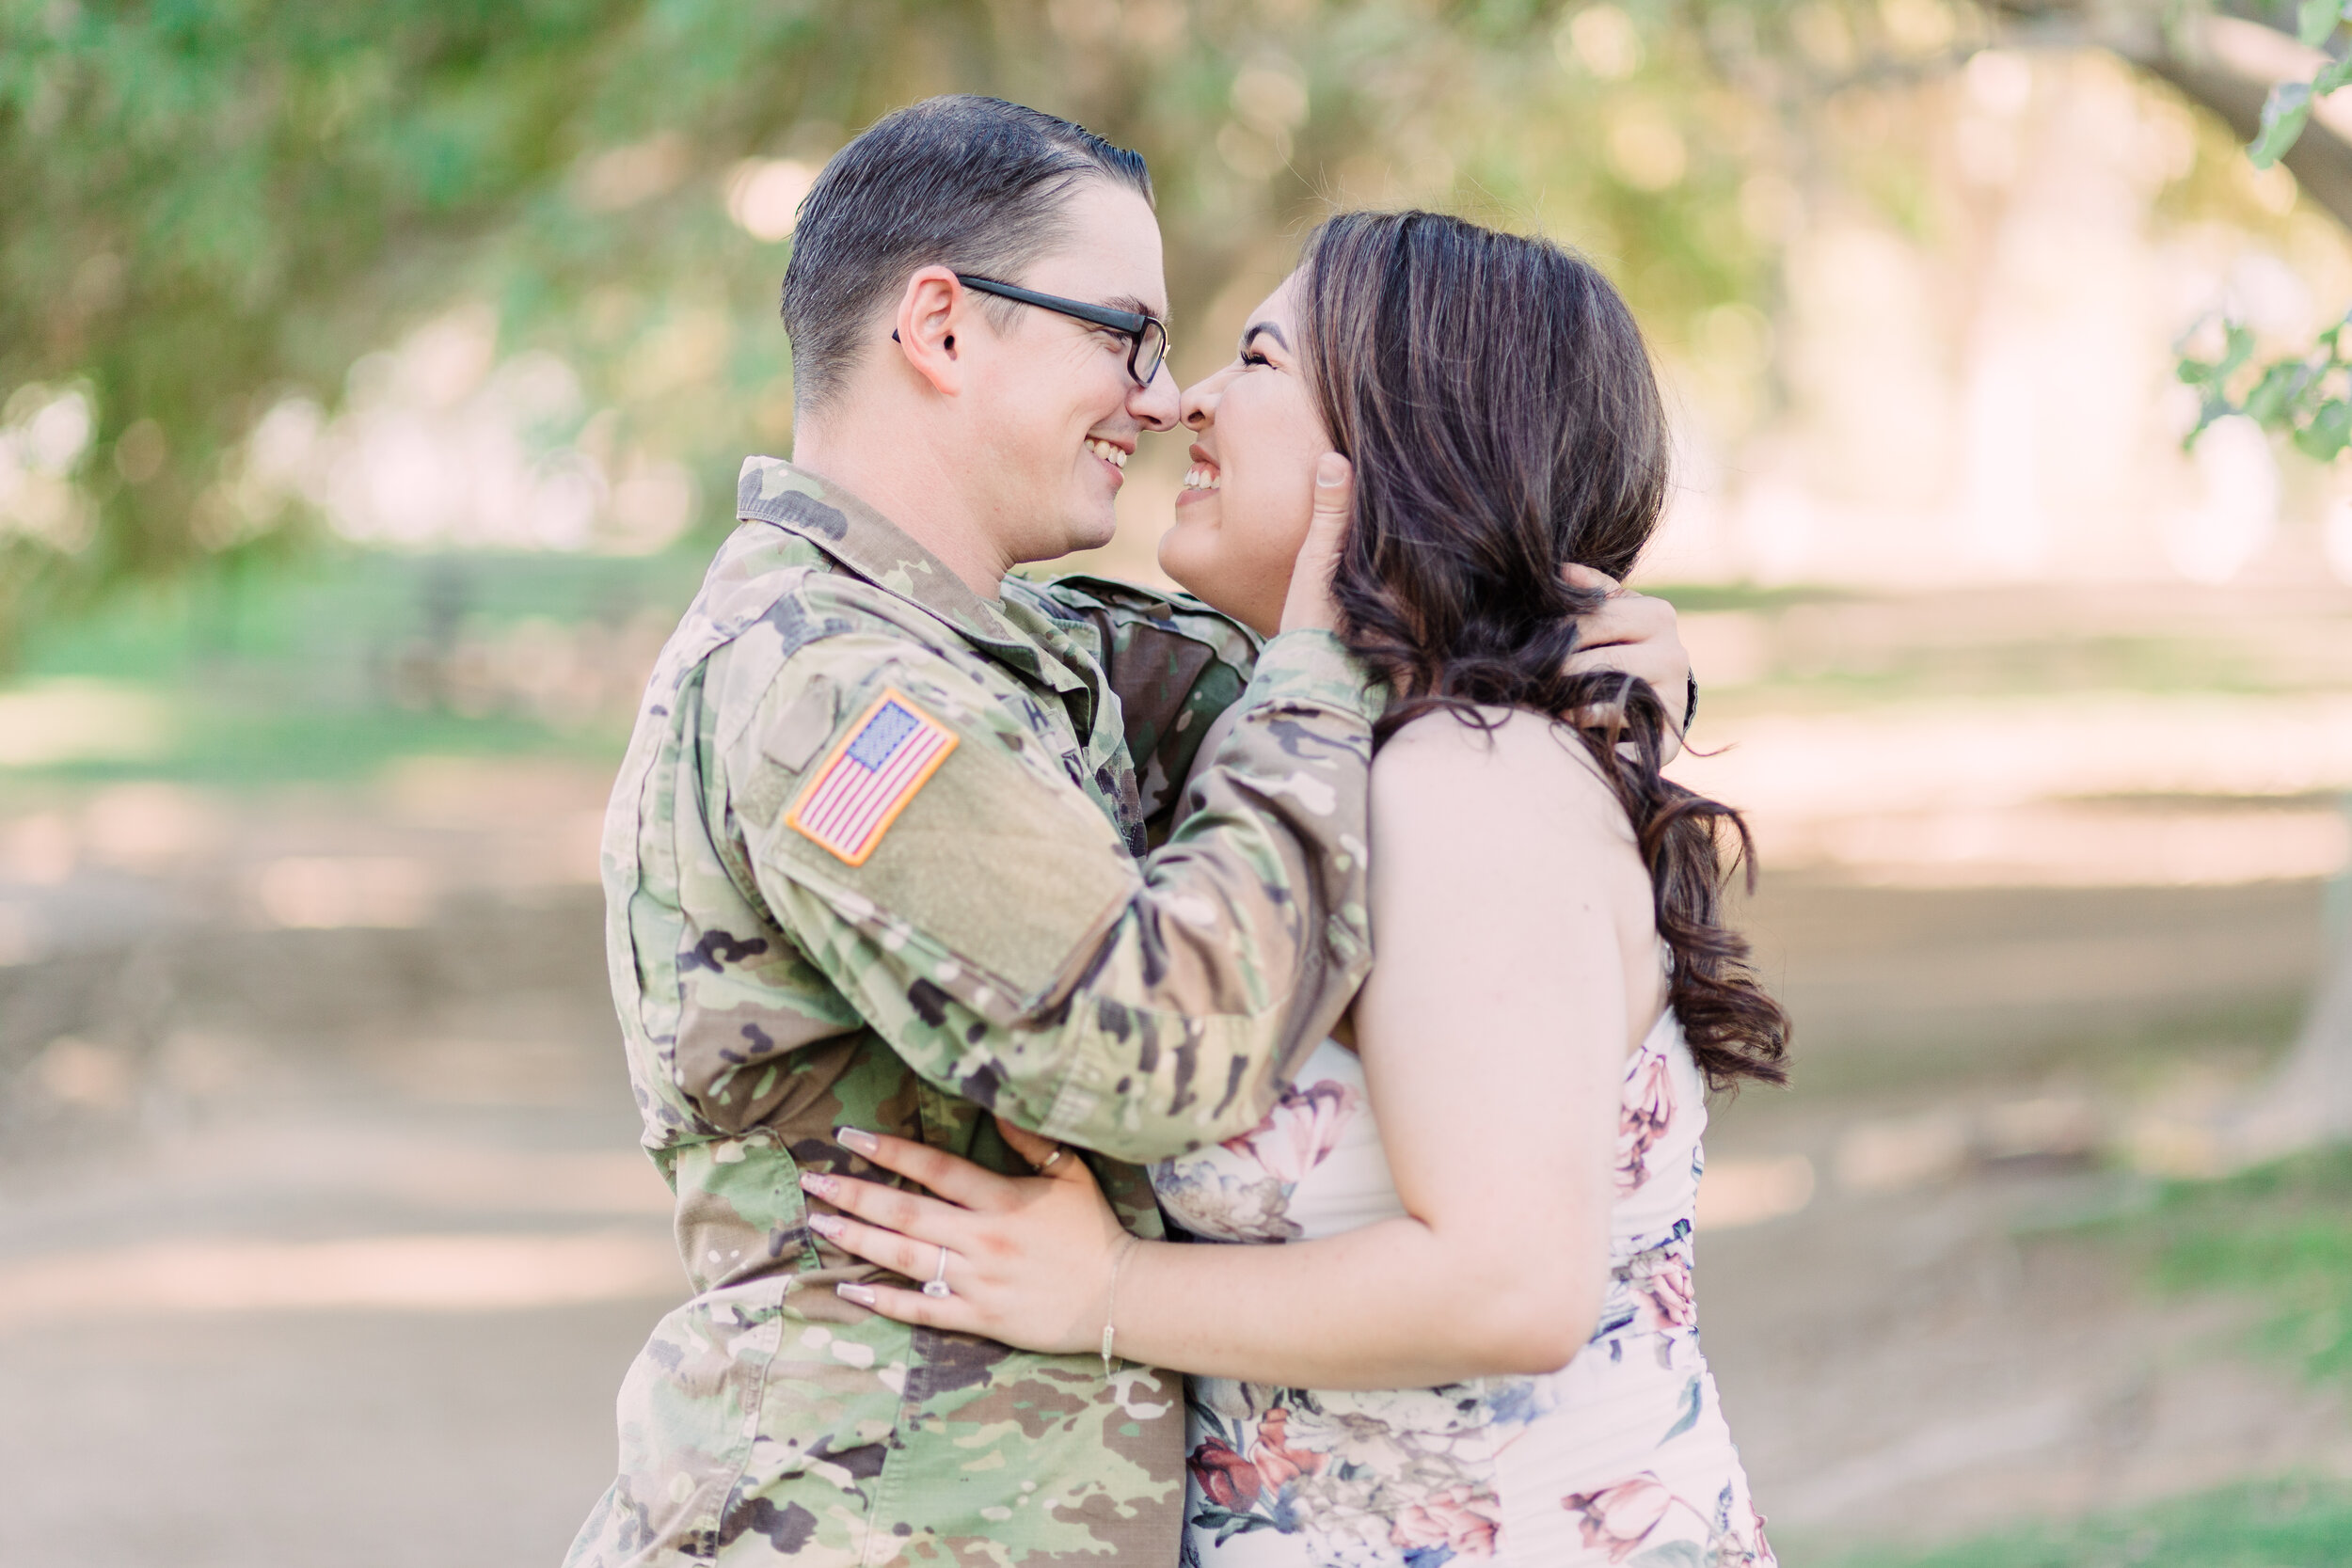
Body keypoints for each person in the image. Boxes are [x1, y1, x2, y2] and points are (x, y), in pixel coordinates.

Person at [568, 96, 1692, 1565]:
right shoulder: (835, 700)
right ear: (945, 331)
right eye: (1127, 336)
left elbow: (1352, 710)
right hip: (867, 1519)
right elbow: (1163, 1040)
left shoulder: (1008, 650)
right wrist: (1326, 662)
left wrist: (1547, 658)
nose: (1164, 401)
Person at [792, 211, 1789, 1567]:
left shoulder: (1465, 783)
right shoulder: (1341, 752)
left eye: (1256, 359)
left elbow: (1511, 1282)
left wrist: (1110, 1289)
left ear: (1399, 442)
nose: (1184, 398)